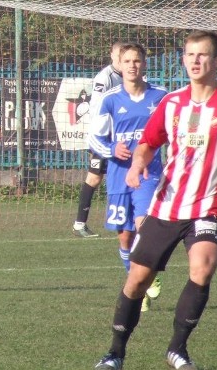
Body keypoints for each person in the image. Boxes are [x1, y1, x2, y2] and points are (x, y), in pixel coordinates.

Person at [94, 31, 217, 370]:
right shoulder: (171, 102)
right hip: (166, 205)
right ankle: (115, 352)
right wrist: (138, 164)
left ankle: (177, 349)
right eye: (190, 55)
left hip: (208, 207)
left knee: (202, 268)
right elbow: (147, 142)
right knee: (137, 280)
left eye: (203, 55)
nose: (194, 61)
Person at [87, 43, 166, 312]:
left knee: (145, 225)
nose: (132, 65)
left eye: (137, 60)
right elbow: (94, 137)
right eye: (127, 61)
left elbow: (174, 132)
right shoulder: (110, 99)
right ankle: (137, 286)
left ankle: (149, 275)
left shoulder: (161, 96)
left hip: (148, 173)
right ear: (119, 65)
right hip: (119, 175)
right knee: (125, 237)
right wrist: (111, 148)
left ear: (144, 64)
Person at [74, 41, 127, 237]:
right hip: (104, 138)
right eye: (119, 55)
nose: (122, 60)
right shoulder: (104, 78)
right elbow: (96, 107)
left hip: (121, 137)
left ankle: (128, 219)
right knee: (95, 177)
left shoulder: (129, 77)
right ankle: (80, 224)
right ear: (113, 56)